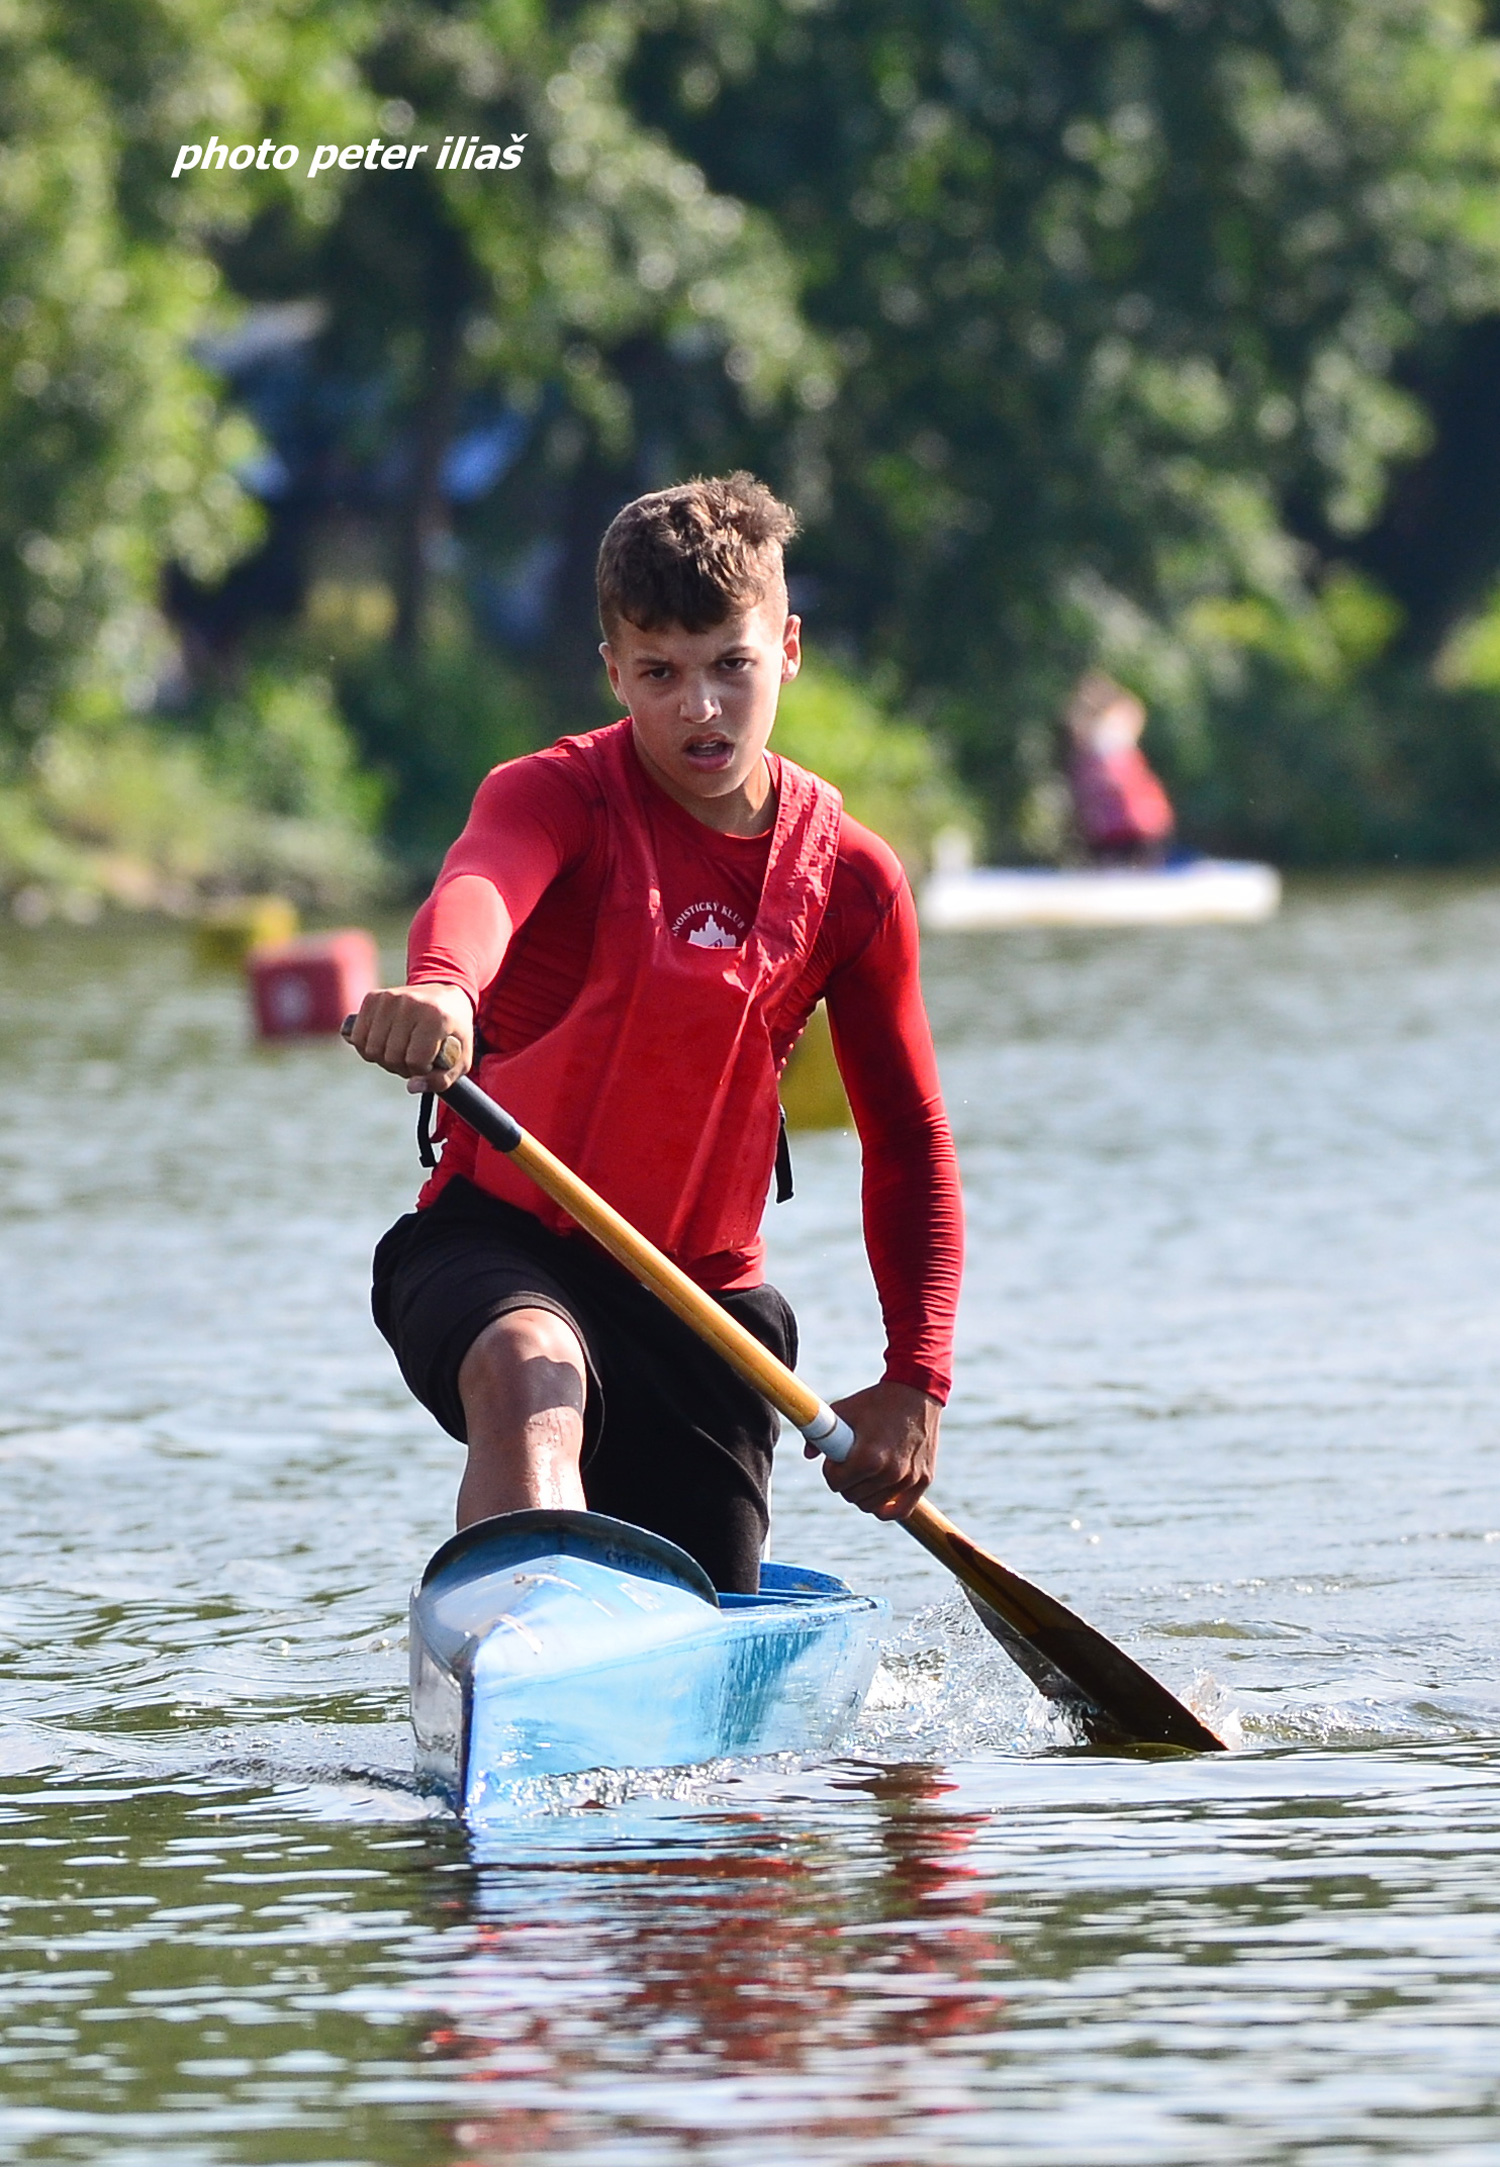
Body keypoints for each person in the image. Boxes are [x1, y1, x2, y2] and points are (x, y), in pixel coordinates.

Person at [349, 472, 963, 1593]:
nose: (700, 710)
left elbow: (909, 1139)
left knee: (709, 1587)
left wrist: (916, 1377)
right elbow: (482, 883)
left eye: (730, 665)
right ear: (613, 670)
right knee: (531, 1379)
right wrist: (442, 992)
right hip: (499, 1243)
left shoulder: (856, 882)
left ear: (786, 647)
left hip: (704, 1306)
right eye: (660, 674)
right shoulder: (551, 798)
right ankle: (527, 1638)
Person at [1065, 670, 1175, 865]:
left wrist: (1106, 696)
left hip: (1131, 818)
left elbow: (1133, 711)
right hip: (1113, 821)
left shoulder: (1116, 725)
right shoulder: (1099, 732)